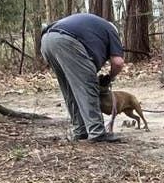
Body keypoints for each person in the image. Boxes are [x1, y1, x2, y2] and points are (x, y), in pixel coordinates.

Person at [40, 12, 126, 143]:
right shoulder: (111, 30)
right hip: (68, 42)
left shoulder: (94, 27)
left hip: (47, 41)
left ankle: (80, 130)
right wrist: (110, 77)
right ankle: (97, 132)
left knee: (69, 89)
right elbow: (118, 62)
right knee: (87, 86)